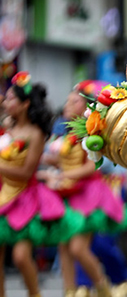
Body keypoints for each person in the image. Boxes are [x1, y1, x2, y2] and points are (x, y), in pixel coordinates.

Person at [39, 80, 127, 297]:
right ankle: (71, 291)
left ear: (87, 106)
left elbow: (93, 166)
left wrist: (63, 174)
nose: (68, 104)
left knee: (78, 248)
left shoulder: (93, 132)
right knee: (64, 248)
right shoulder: (66, 132)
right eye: (68, 101)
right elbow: (64, 161)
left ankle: (104, 288)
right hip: (66, 193)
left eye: (75, 101)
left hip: (87, 195)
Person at [0, 72, 78, 297]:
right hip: (3, 196)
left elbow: (26, 172)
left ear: (25, 104)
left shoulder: (35, 134)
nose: (7, 102)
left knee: (21, 257)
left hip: (25, 200)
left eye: (11, 99)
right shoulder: (7, 128)